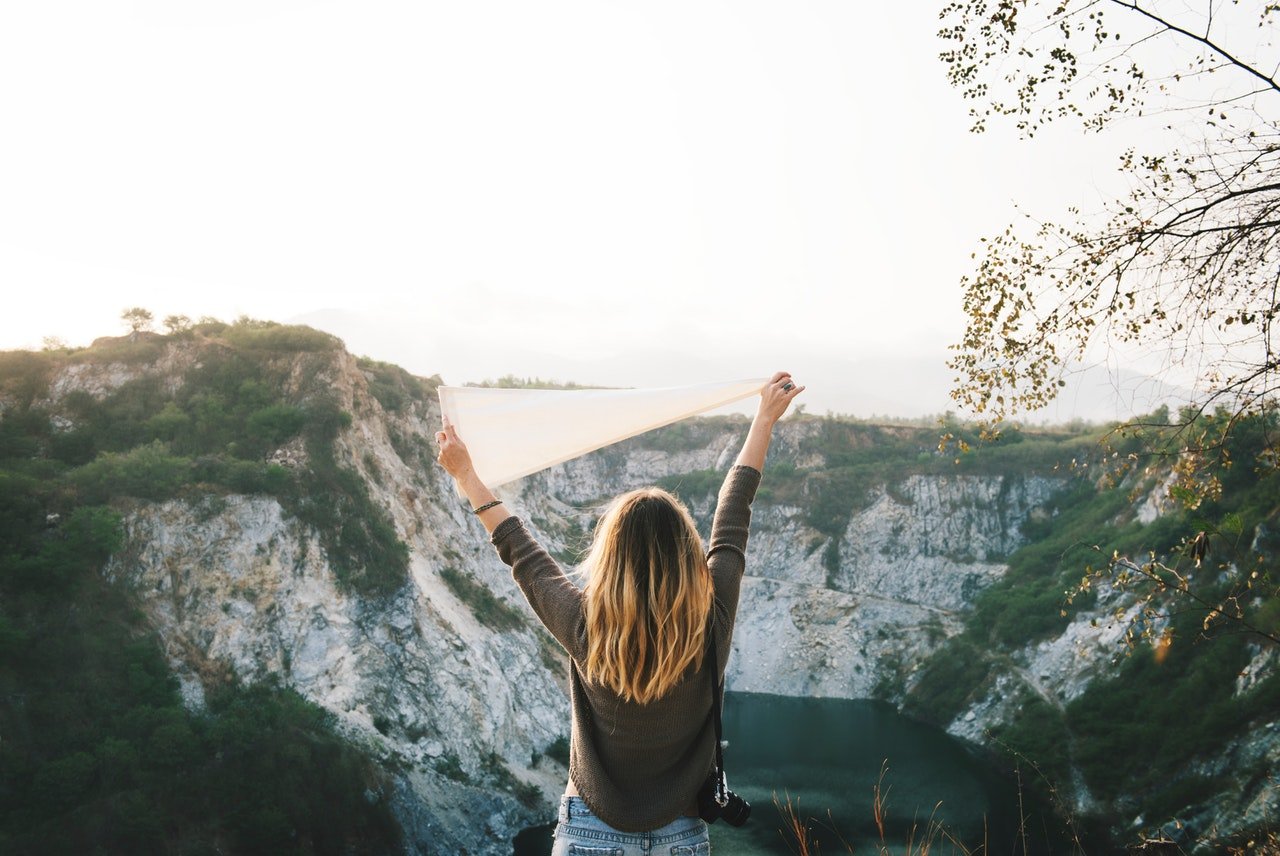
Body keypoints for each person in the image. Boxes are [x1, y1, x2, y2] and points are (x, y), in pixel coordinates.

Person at [435, 371, 804, 855]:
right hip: (682, 836)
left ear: (610, 557)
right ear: (686, 555)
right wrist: (764, 418)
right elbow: (733, 515)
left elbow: (521, 552)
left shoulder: (585, 625)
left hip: (589, 832)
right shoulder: (711, 620)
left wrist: (466, 475)